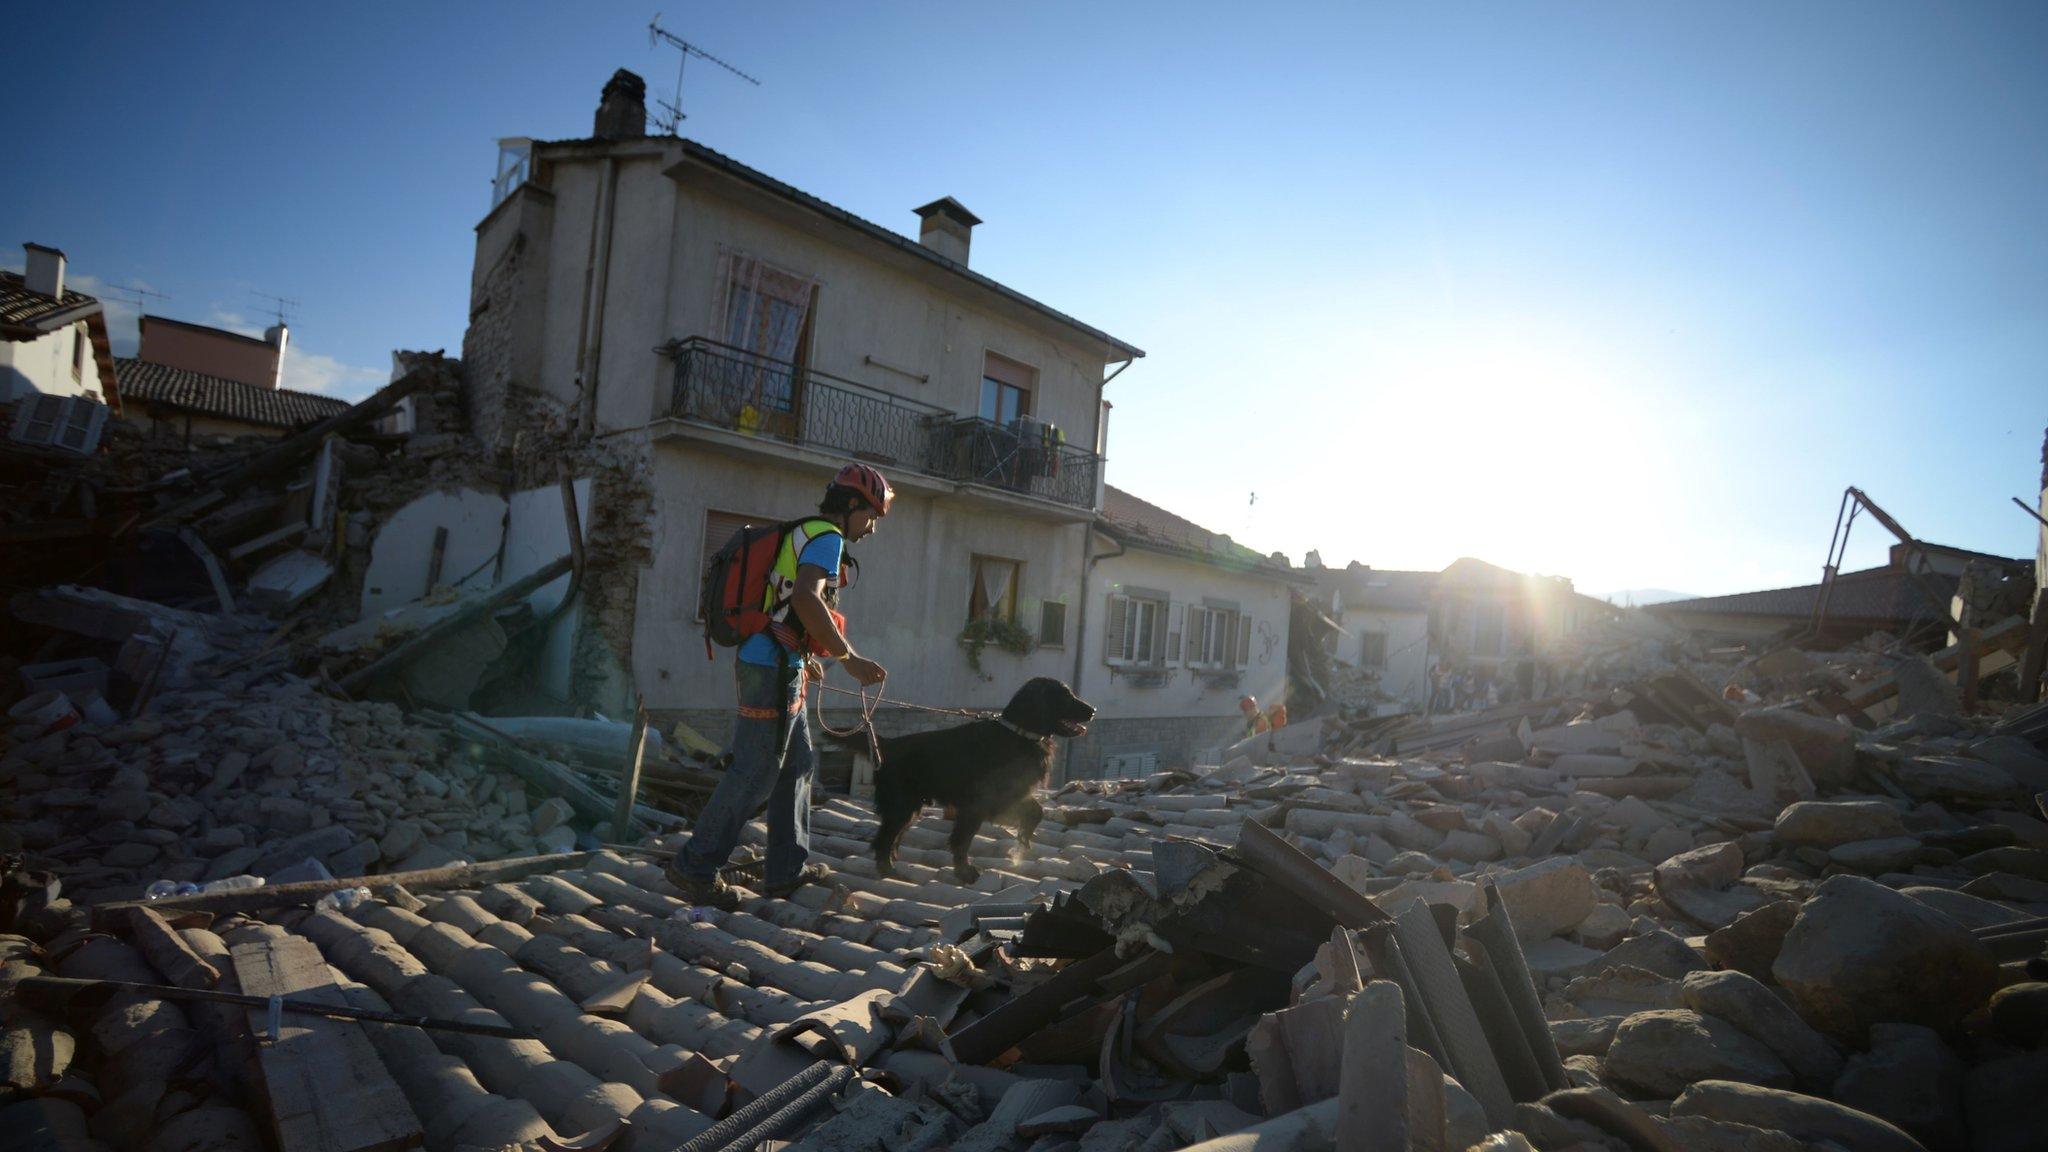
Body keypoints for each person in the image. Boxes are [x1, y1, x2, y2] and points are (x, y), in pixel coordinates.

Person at [668, 463, 892, 910]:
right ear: (851, 506)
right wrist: (849, 658)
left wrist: (806, 657)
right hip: (770, 669)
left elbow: (784, 601)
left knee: (799, 765)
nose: (871, 528)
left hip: (778, 662)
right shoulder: (828, 537)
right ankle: (695, 867)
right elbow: (808, 598)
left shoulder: (804, 531)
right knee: (755, 772)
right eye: (870, 516)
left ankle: (786, 869)